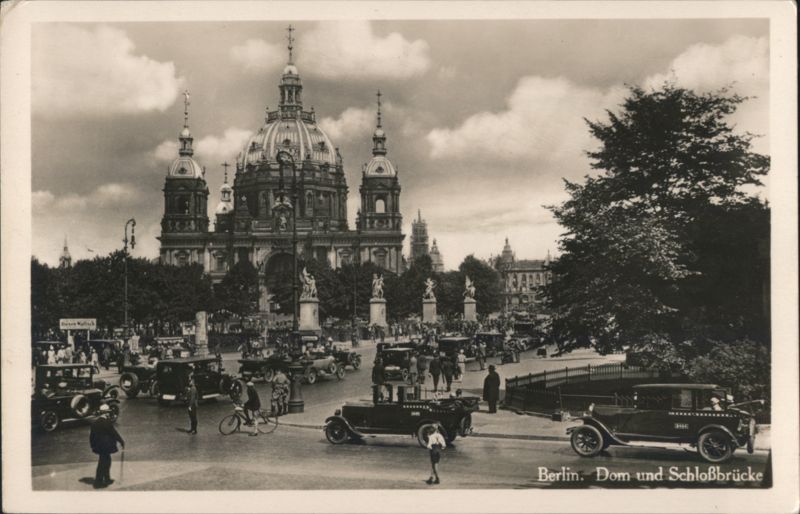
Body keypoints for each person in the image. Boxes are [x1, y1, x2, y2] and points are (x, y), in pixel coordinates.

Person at [89, 404, 125, 489]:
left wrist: (93, 446)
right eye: (108, 413)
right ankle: (99, 482)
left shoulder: (95, 423)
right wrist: (121, 441)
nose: (109, 414)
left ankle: (106, 479)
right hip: (106, 447)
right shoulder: (107, 423)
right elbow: (114, 433)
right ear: (106, 413)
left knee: (105, 461)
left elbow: (92, 436)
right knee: (104, 463)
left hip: (99, 447)